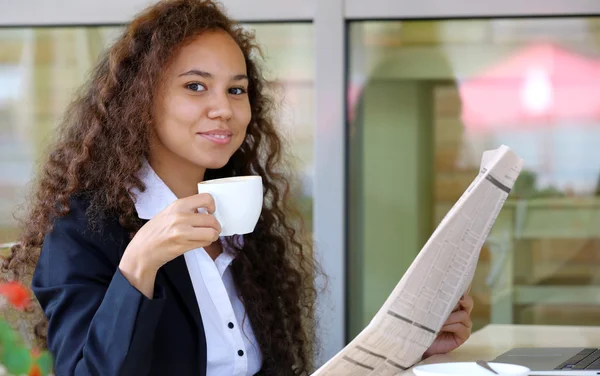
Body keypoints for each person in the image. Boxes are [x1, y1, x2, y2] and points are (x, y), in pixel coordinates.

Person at [2, 0, 473, 375]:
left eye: (235, 90)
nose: (223, 109)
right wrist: (139, 266)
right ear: (140, 102)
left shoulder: (243, 220)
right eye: (195, 87)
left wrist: (406, 348)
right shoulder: (85, 232)